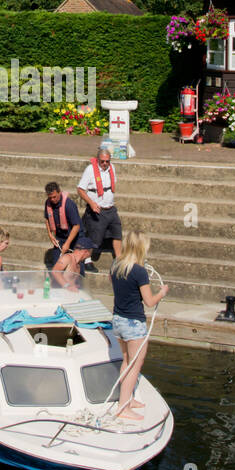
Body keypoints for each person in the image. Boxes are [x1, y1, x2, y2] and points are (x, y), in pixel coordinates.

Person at [108, 230, 167, 422]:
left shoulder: (116, 265)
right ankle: (123, 406)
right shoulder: (139, 272)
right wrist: (162, 292)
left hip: (117, 319)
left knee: (126, 361)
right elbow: (149, 301)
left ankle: (128, 398)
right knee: (135, 364)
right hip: (134, 323)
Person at [77, 147, 122, 263]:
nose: (105, 164)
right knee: (94, 238)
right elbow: (80, 189)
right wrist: (91, 203)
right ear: (97, 160)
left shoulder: (112, 168)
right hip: (97, 210)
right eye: (102, 161)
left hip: (110, 208)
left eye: (107, 161)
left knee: (117, 233)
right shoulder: (90, 170)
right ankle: (86, 261)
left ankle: (119, 260)